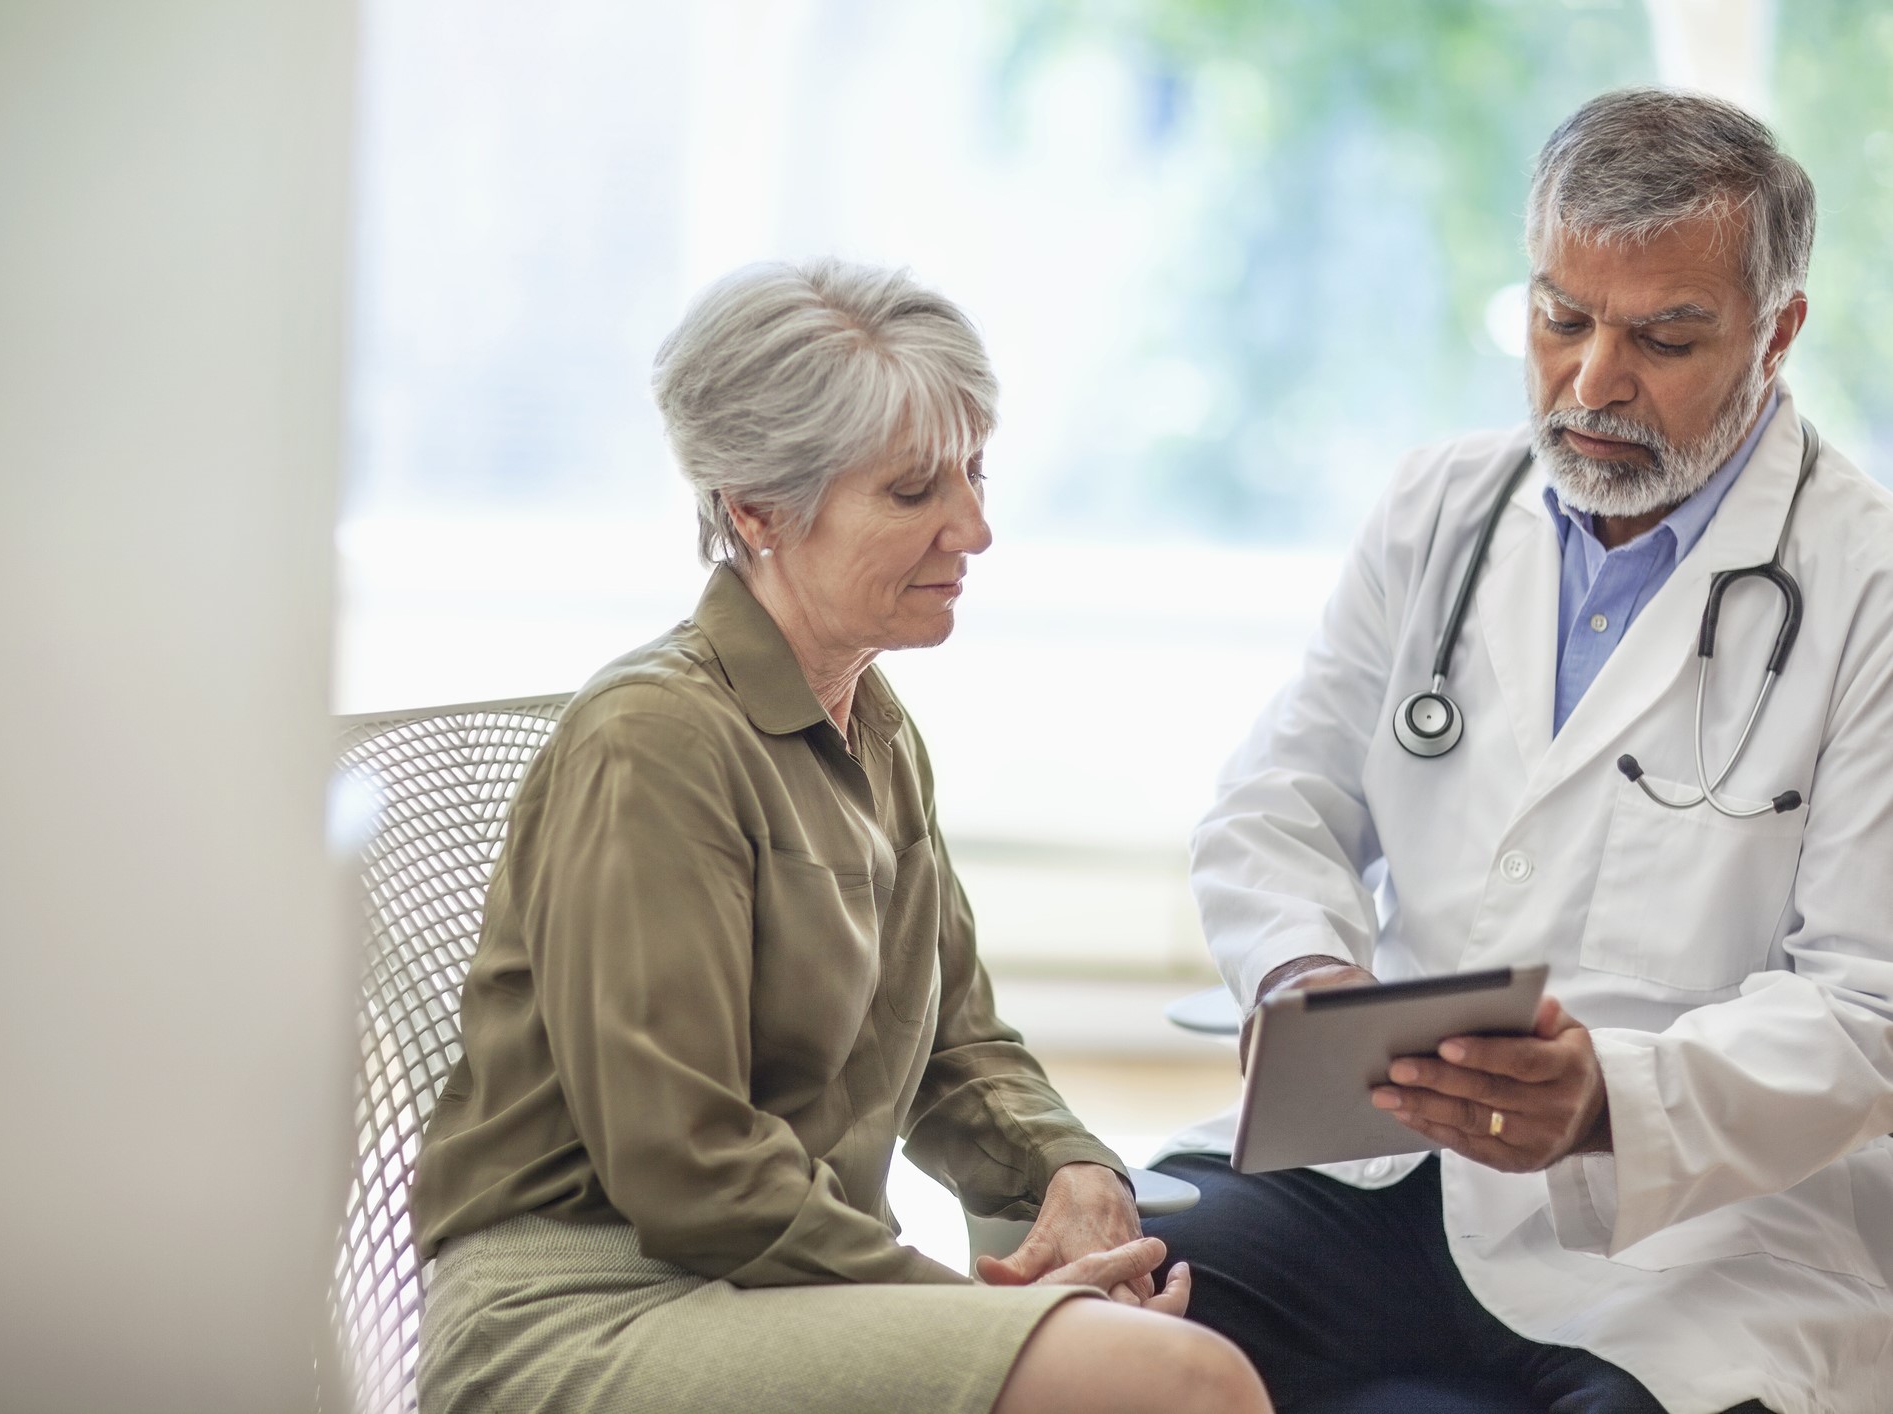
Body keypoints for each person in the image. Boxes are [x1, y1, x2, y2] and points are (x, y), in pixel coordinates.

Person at [408, 258, 1269, 1414]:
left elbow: (958, 1045)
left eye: (973, 470)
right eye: (914, 491)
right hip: (595, 1307)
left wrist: (1070, 1173)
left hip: (772, 1285)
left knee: (1176, 1329)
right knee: (1184, 1384)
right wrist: (974, 1311)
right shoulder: (654, 740)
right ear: (757, 508)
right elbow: (690, 1170)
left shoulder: (870, 723)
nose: (975, 525)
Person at [1143, 88, 1893, 1414]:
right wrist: (1304, 969)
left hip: (1694, 1231)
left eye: (1663, 337)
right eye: (1558, 319)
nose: (1591, 383)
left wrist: (1606, 1097)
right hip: (1379, 1169)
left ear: (1774, 331)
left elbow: (1866, 1002)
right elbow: (1279, 797)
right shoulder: (1440, 505)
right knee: (1099, 1319)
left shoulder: (1863, 587)